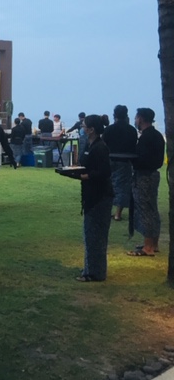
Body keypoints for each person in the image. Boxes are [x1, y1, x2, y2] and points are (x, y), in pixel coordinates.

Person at [75, 115, 113, 282]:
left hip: (100, 196)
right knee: (90, 234)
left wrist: (87, 176)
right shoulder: (88, 145)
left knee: (95, 235)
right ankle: (90, 268)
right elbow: (83, 162)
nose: (82, 128)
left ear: (91, 130)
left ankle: (94, 273)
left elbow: (105, 172)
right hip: (90, 195)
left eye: (84, 126)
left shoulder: (100, 147)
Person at [127, 108, 165, 257]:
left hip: (144, 176)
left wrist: (131, 160)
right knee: (152, 208)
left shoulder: (146, 137)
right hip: (153, 175)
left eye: (136, 118)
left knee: (145, 209)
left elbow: (142, 158)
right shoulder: (157, 135)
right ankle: (153, 243)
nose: (135, 120)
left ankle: (148, 247)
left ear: (141, 119)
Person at [102, 105, 137, 221]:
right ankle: (118, 213)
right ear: (126, 115)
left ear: (114, 115)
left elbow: (104, 145)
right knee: (123, 187)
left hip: (109, 159)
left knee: (108, 185)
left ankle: (106, 210)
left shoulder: (109, 129)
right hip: (125, 161)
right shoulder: (131, 130)